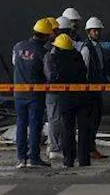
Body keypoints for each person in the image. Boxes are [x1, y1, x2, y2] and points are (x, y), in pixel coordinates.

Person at [11, 19, 54, 168]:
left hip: (19, 94)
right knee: (35, 125)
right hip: (36, 95)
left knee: (21, 124)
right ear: (45, 36)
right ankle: (34, 158)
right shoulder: (44, 53)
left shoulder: (18, 47)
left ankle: (21, 158)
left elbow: (15, 63)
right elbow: (49, 75)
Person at [44, 33, 89, 167]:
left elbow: (53, 78)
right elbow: (84, 73)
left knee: (67, 129)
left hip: (65, 97)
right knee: (83, 129)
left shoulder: (55, 58)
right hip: (81, 96)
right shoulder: (78, 56)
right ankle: (84, 159)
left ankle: (68, 159)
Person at [79, 17, 110, 161]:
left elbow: (100, 67)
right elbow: (84, 70)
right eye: (94, 31)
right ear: (88, 32)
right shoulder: (86, 49)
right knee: (90, 120)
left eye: (98, 30)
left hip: (96, 88)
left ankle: (91, 148)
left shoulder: (98, 48)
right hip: (89, 90)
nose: (97, 33)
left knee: (96, 118)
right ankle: (89, 149)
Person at [46, 15, 76, 160]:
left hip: (57, 89)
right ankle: (54, 147)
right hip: (53, 90)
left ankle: (56, 145)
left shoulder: (52, 47)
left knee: (58, 118)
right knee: (55, 118)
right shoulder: (49, 50)